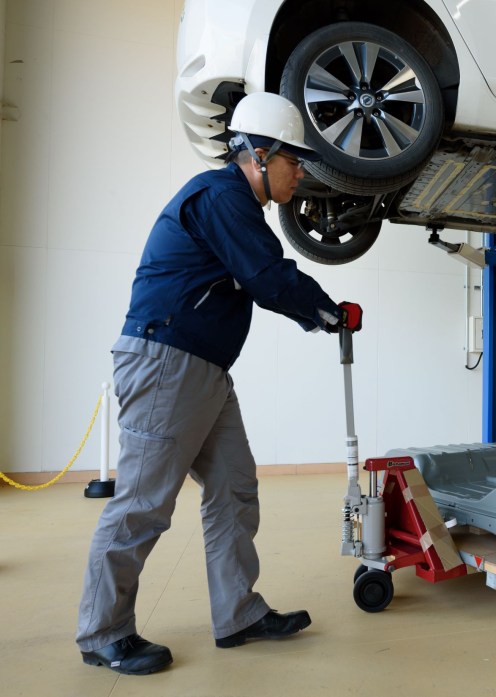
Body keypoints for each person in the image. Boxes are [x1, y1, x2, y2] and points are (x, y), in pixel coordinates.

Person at [76, 92, 361, 675]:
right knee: (143, 505)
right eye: (293, 160)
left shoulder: (235, 205)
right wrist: (328, 311)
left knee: (233, 485)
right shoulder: (222, 196)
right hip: (166, 363)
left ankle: (239, 613)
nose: (300, 172)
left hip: (202, 369)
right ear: (258, 155)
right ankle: (102, 631)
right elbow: (266, 277)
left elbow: (258, 273)